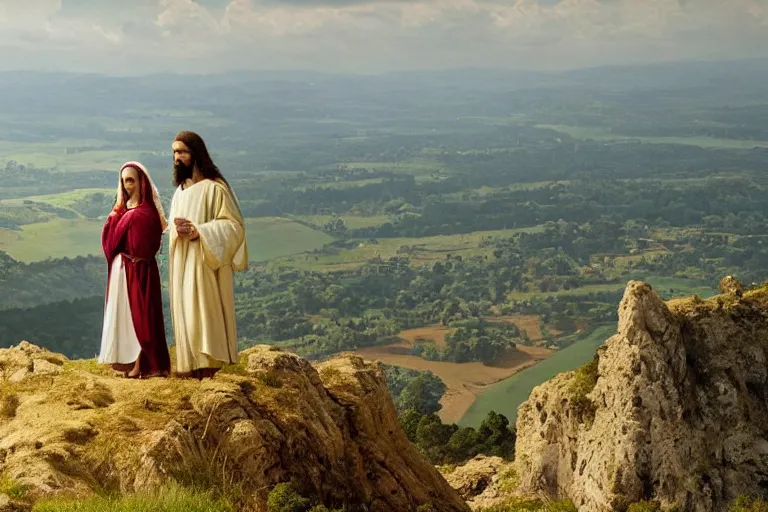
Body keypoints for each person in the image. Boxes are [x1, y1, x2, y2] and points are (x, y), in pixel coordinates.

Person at [167, 131, 248, 379]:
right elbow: (171, 226)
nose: (177, 158)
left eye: (182, 152)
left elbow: (234, 227)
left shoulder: (215, 189)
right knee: (187, 312)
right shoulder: (179, 192)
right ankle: (190, 364)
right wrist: (176, 230)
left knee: (205, 311)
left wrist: (199, 232)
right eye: (174, 153)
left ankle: (210, 364)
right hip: (182, 262)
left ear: (195, 154)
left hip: (205, 263)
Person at [98, 162, 171, 378]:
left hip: (137, 271)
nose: (126, 185)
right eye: (123, 181)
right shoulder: (131, 212)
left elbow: (112, 244)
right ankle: (130, 363)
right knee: (129, 319)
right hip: (129, 270)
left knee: (141, 319)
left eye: (130, 180)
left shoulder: (138, 214)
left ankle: (142, 364)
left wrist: (115, 218)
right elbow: (111, 245)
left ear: (141, 182)